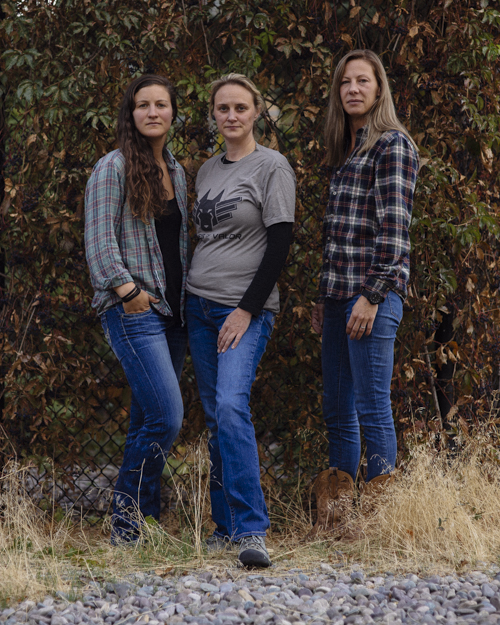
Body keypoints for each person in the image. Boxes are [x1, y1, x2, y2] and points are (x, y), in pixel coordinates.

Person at [186, 73, 296, 567]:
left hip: (243, 310)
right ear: (214, 114)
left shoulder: (272, 166)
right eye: (223, 108)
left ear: (256, 113)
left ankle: (252, 530)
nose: (231, 116)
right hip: (198, 306)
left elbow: (280, 244)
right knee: (215, 416)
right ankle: (223, 526)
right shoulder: (207, 170)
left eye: (240, 108)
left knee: (231, 406)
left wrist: (246, 309)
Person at [310, 49, 419, 536]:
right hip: (339, 299)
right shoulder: (346, 151)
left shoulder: (391, 145)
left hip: (372, 297)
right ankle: (340, 522)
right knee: (337, 408)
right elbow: (339, 235)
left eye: (363, 81)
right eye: (345, 83)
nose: (353, 89)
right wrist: (325, 297)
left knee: (372, 406)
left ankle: (381, 525)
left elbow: (394, 232)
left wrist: (372, 296)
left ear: (379, 89)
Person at [84, 74, 189, 544]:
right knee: (167, 417)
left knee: (146, 420)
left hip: (174, 314)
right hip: (134, 310)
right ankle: (125, 523)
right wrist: (129, 294)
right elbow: (100, 242)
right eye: (142, 105)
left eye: (160, 104)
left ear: (172, 113)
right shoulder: (112, 168)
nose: (152, 112)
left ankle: (140, 526)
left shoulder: (178, 171)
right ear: (131, 114)